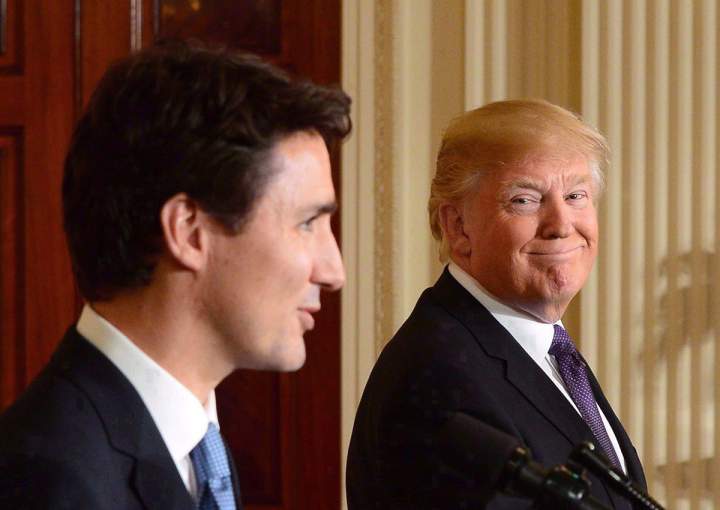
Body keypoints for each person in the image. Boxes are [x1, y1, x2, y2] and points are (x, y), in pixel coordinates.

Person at [0, 41, 350, 509]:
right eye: (307, 223)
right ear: (189, 232)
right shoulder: (52, 481)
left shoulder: (195, 444)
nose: (334, 272)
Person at [346, 99, 646, 509]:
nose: (561, 225)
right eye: (525, 200)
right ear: (459, 227)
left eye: (576, 195)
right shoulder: (439, 375)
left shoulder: (545, 348)